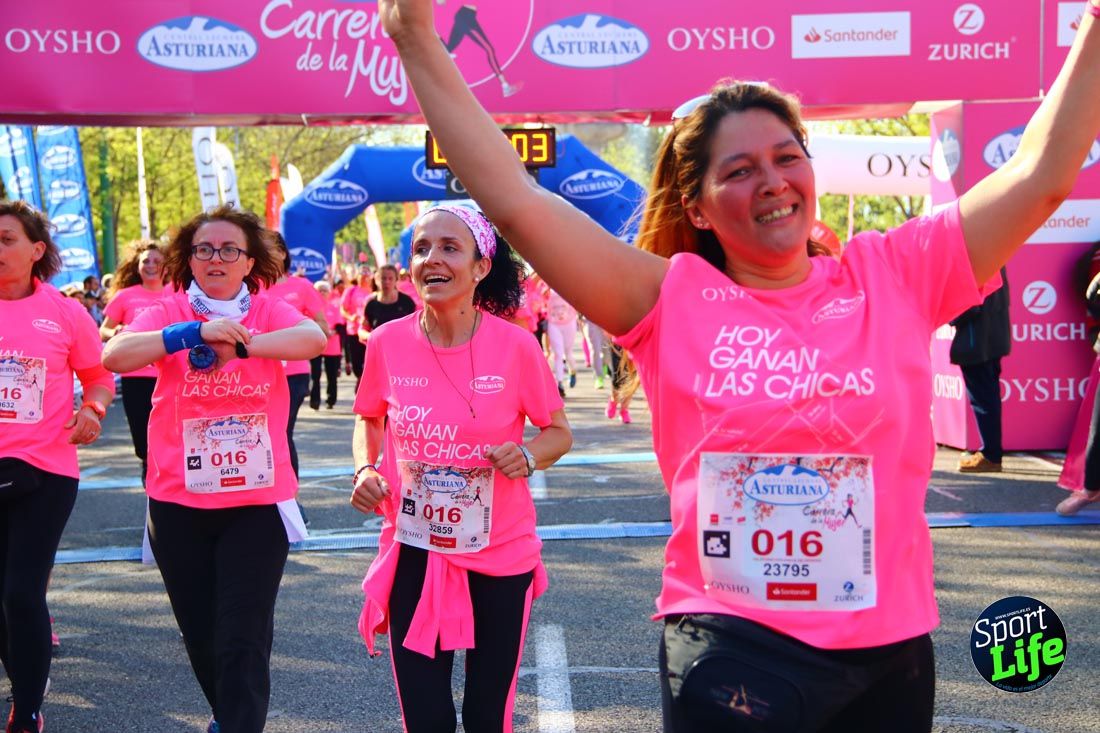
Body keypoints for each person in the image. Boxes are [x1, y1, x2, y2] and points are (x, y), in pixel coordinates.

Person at [376, 1, 1100, 729]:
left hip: (887, 654)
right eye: (741, 169)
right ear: (695, 204)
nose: (773, 181)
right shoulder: (667, 298)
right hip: (731, 651)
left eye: (788, 157)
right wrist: (412, 36)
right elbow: (517, 201)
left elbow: (1040, 174)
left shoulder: (897, 273)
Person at [101, 206, 326, 733]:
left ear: (250, 262)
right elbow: (116, 355)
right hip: (178, 503)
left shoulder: (269, 308)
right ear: (189, 258)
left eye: (230, 250)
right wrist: (193, 333)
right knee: (202, 635)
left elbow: (312, 340)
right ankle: (230, 719)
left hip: (256, 503)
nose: (216, 258)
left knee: (242, 635)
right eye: (204, 249)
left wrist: (241, 345)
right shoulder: (169, 309)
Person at [349, 205, 571, 733]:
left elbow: (558, 431)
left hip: (499, 554)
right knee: (425, 718)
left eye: (450, 247)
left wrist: (529, 455)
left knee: (486, 715)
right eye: (422, 249)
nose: (432, 259)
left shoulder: (515, 346)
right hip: (416, 548)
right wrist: (363, 468)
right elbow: (369, 418)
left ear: (479, 266)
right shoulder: (387, 343)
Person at [0, 200, 116, 733]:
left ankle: (26, 712)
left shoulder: (65, 312)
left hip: (44, 467)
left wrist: (92, 410)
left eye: (7, 239)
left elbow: (96, 377)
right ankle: (26, 673)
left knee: (22, 591)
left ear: (36, 250)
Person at [100, 240, 167, 483]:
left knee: (173, 436)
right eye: (145, 261)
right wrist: (117, 331)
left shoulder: (178, 294)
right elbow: (103, 331)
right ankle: (151, 484)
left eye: (157, 261)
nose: (151, 265)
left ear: (167, 266)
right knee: (144, 442)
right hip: (136, 378)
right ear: (136, 266)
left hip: (172, 376)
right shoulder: (125, 296)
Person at [265, 233, 330, 480]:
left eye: (269, 249)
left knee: (282, 430)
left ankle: (289, 496)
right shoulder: (251, 287)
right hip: (259, 372)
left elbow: (322, 327)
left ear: (282, 253)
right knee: (265, 433)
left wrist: (294, 332)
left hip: (293, 372)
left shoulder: (301, 286)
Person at [950, 268, 1011, 473]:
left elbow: (969, 306)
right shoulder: (996, 260)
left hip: (977, 342)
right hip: (990, 339)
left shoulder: (978, 264)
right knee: (988, 398)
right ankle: (991, 452)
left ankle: (991, 454)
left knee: (984, 400)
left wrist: (945, 315)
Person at [361, 264, 416, 341]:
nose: (387, 282)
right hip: (379, 350)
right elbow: (362, 331)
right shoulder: (371, 304)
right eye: (383, 278)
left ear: (396, 280)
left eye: (390, 278)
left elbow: (416, 328)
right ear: (377, 280)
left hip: (402, 348)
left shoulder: (407, 302)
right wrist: (373, 337)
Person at [310, 280, 343, 410]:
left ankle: (331, 399)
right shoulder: (311, 307)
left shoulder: (334, 307)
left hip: (332, 346)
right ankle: (315, 400)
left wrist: (332, 332)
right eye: (319, 290)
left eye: (325, 290)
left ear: (329, 292)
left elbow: (341, 325)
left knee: (331, 376)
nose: (322, 293)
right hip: (316, 345)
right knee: (315, 375)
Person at [340, 262, 373, 390]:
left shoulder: (373, 291)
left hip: (368, 332)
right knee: (356, 362)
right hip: (353, 330)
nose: (364, 276)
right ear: (357, 276)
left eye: (367, 274)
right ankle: (360, 377)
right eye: (362, 273)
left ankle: (363, 383)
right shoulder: (351, 290)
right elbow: (343, 309)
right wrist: (350, 317)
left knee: (369, 360)